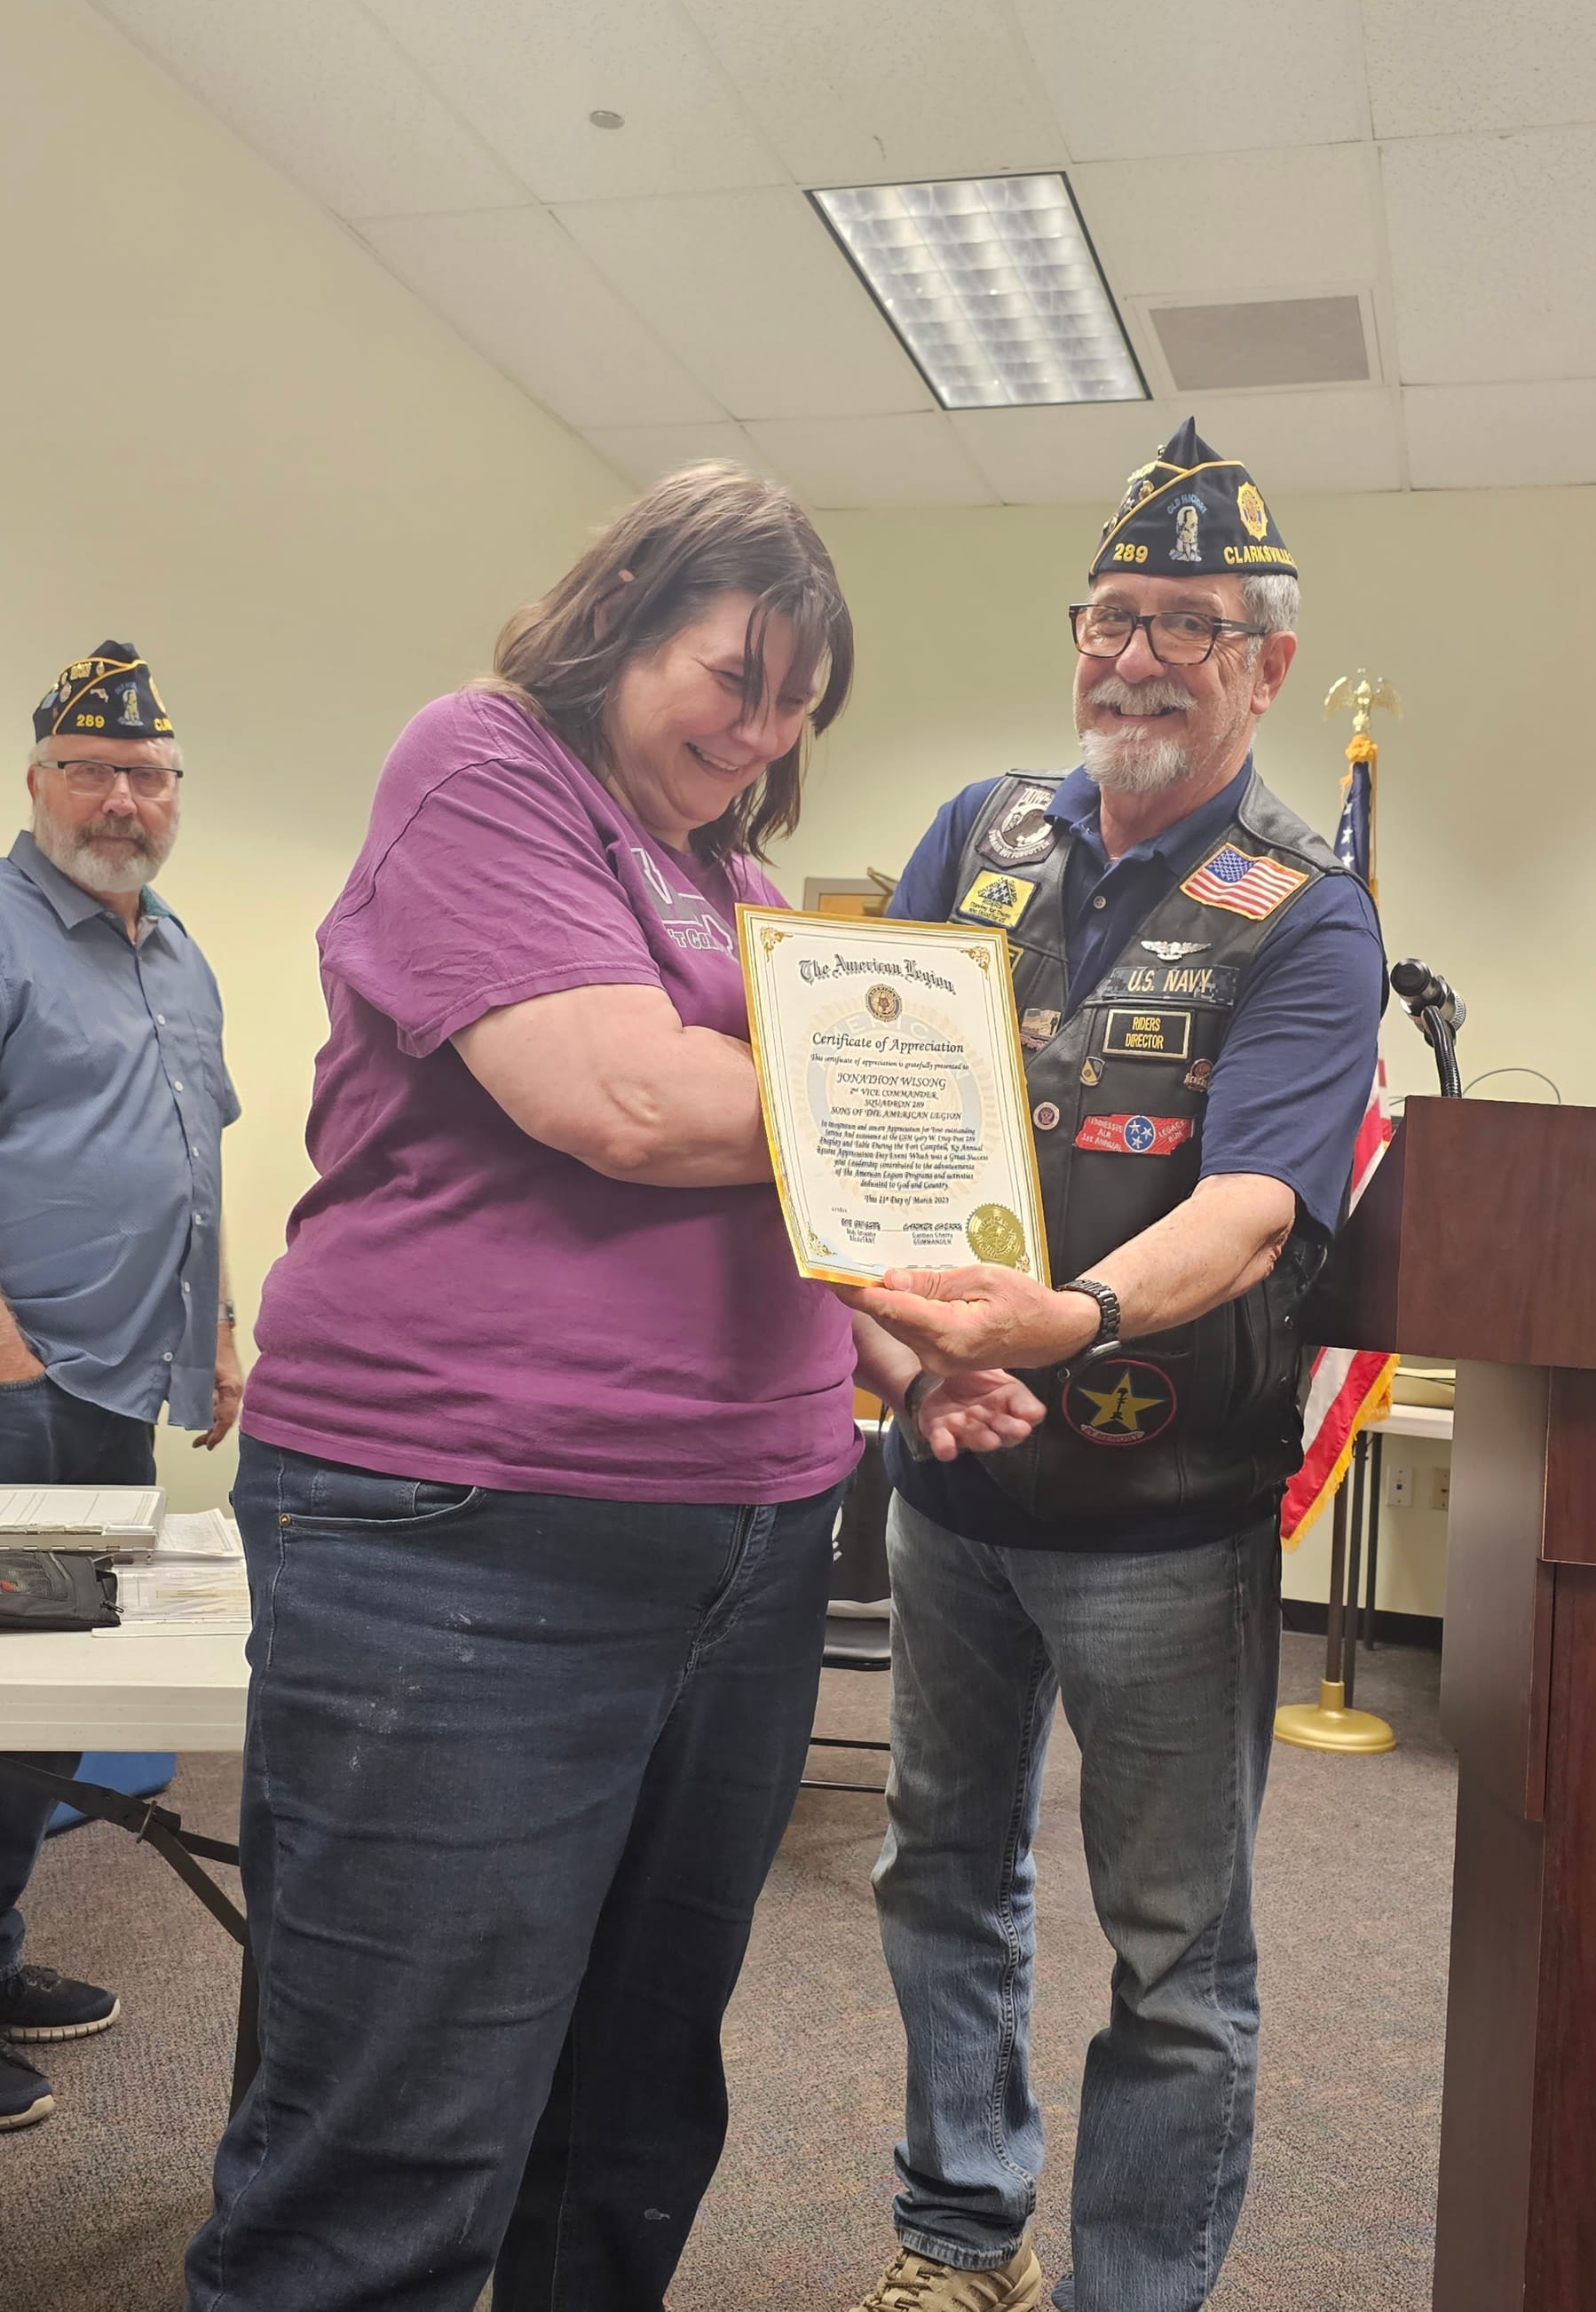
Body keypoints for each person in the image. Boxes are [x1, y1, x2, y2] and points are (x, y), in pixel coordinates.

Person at [183, 465, 1038, 2312]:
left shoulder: (725, 878)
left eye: (799, 703)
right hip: (470, 1537)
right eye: (733, 675)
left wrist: (899, 1342)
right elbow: (624, 1103)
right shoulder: (484, 766)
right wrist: (952, 1098)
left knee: (626, 2128)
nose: (759, 729)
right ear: (621, 619)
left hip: (741, 1542)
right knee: (393, 2147)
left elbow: (773, 1186)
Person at [840, 419, 1388, 2312]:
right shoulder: (975, 833)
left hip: (1164, 1517)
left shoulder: (1306, 911)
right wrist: (906, 1345)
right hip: (950, 1478)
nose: (1133, 654)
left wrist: (1056, 1322)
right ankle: (954, 2235)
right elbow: (867, 1102)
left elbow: (1251, 1211)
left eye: (1183, 622)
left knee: (1171, 1949)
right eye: (1109, 615)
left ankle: (1130, 2292)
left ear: (1265, 664)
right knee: (938, 1875)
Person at [0, 641, 241, 2134]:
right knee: (4, 1697)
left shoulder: (175, 946)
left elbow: (195, 1155)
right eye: (92, 769)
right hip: (21, 1385)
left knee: (43, 1707)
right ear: (37, 785)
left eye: (149, 775)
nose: (124, 798)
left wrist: (216, 1330)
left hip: (120, 1383)